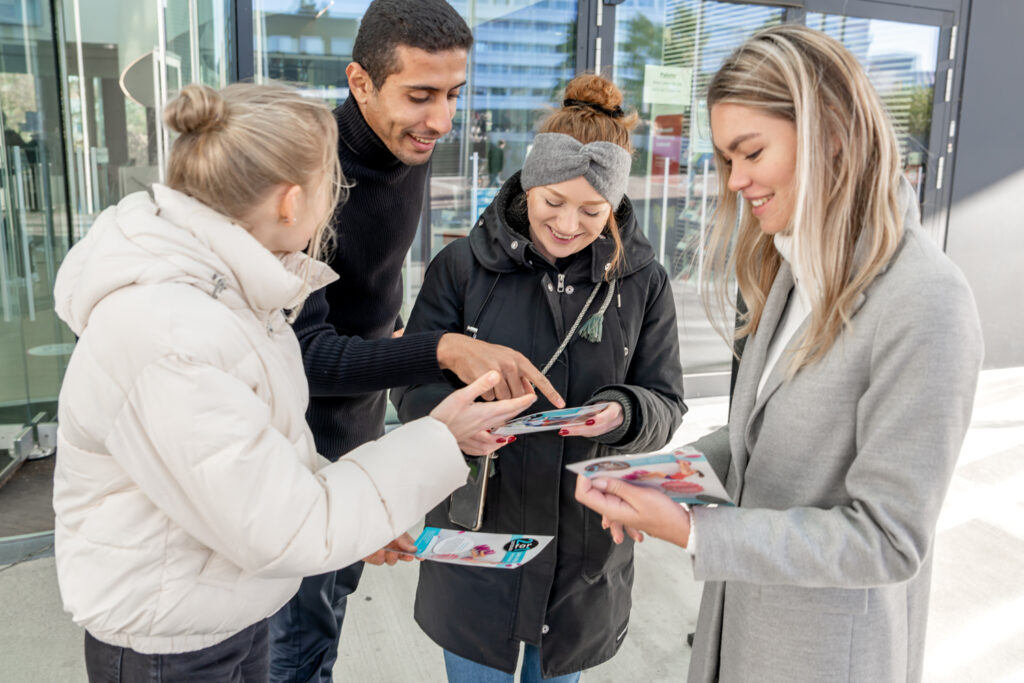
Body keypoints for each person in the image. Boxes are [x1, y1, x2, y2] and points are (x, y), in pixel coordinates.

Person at [51, 82, 537, 682]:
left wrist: (364, 518)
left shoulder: (230, 295)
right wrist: (439, 438)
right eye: (332, 185)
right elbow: (284, 527)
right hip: (171, 647)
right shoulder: (172, 335)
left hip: (218, 610)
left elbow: (264, 463)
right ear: (290, 202)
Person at [574, 25, 983, 683]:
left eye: (751, 152)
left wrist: (695, 531)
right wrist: (657, 472)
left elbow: (887, 538)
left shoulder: (925, 299)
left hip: (823, 655)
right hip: (740, 632)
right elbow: (752, 444)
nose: (736, 182)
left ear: (832, 133)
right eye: (725, 160)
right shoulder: (787, 268)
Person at [270, 2, 563, 681]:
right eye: (421, 95)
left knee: (323, 637)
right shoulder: (307, 173)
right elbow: (302, 355)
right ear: (360, 82)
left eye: (454, 94)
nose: (441, 121)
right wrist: (441, 347)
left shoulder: (408, 149)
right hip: (292, 462)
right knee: (293, 650)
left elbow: (365, 302)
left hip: (355, 442)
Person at [392, 74, 687, 682]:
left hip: (582, 555)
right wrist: (453, 423)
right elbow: (410, 380)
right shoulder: (462, 268)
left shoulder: (641, 282)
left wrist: (625, 413)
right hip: (478, 543)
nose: (569, 224)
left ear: (615, 207)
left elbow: (666, 402)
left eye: (592, 211)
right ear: (528, 185)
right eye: (552, 202)